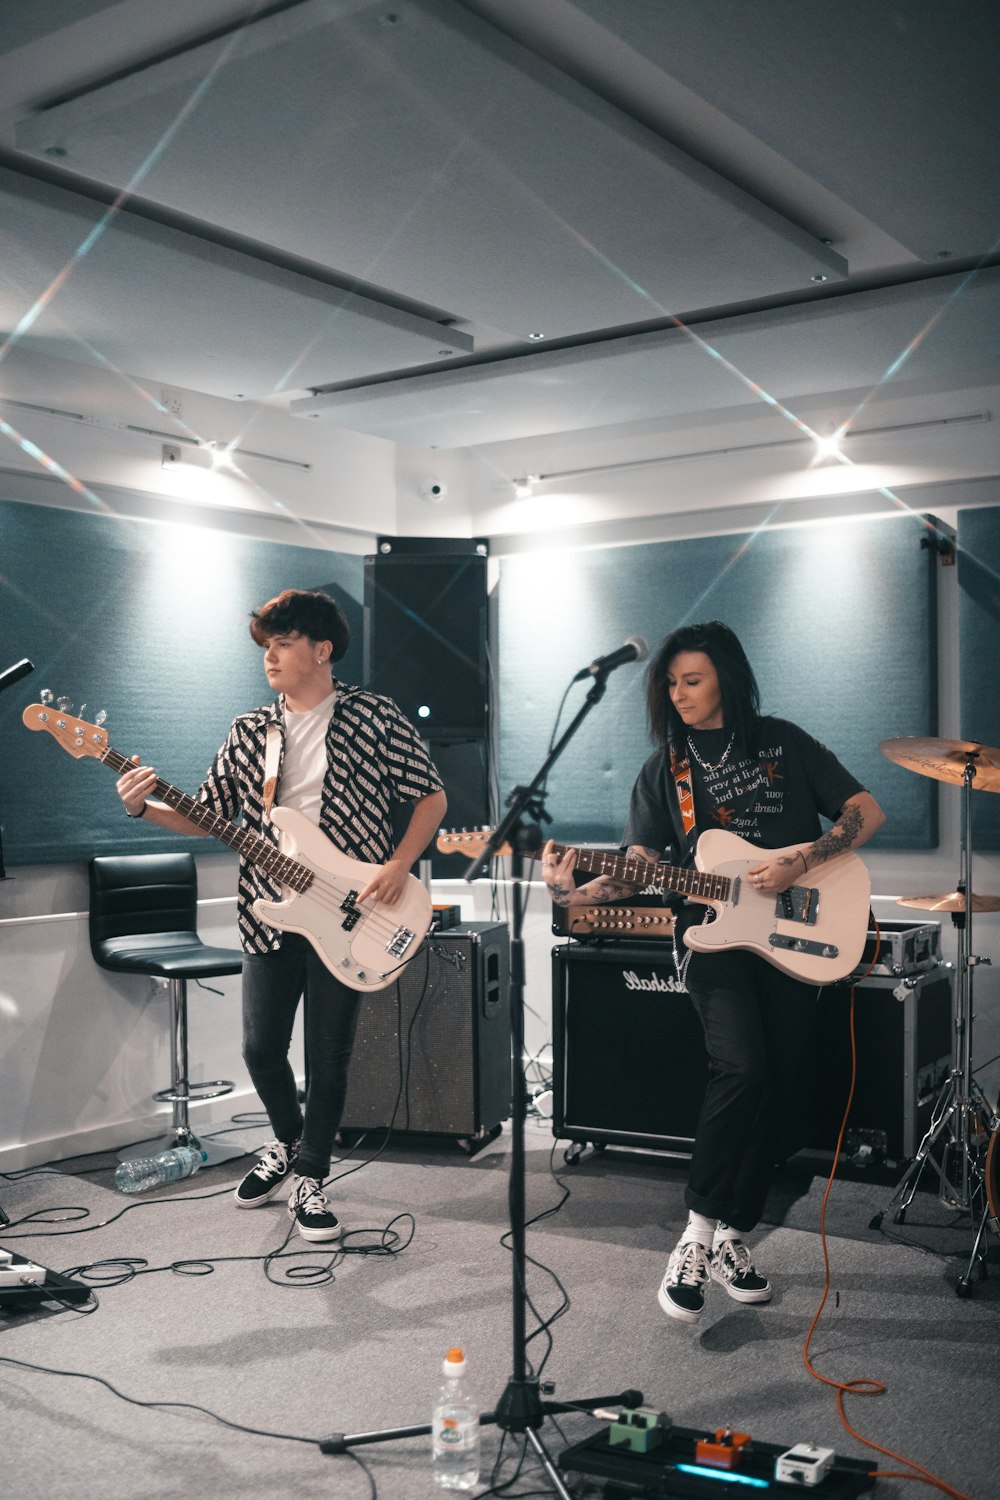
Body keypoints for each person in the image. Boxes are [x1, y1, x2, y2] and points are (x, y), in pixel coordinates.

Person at [541, 620, 884, 1322]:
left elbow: (865, 810)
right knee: (744, 1068)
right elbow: (636, 873)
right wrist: (570, 886)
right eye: (670, 683)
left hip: (795, 940)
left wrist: (801, 860)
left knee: (780, 1087)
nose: (678, 693)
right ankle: (695, 1235)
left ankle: (734, 1235)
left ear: (726, 676)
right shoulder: (664, 768)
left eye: (691, 680)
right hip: (708, 942)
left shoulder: (782, 743)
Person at [116, 588, 447, 1242]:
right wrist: (140, 807)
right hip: (268, 913)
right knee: (261, 1049)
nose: (270, 656)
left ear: (321, 650)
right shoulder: (249, 731)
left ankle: (313, 1177)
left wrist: (399, 864)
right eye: (265, 645)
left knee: (329, 1054)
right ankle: (291, 1144)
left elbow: (431, 798)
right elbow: (205, 812)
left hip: (353, 914)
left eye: (283, 643)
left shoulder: (374, 716)